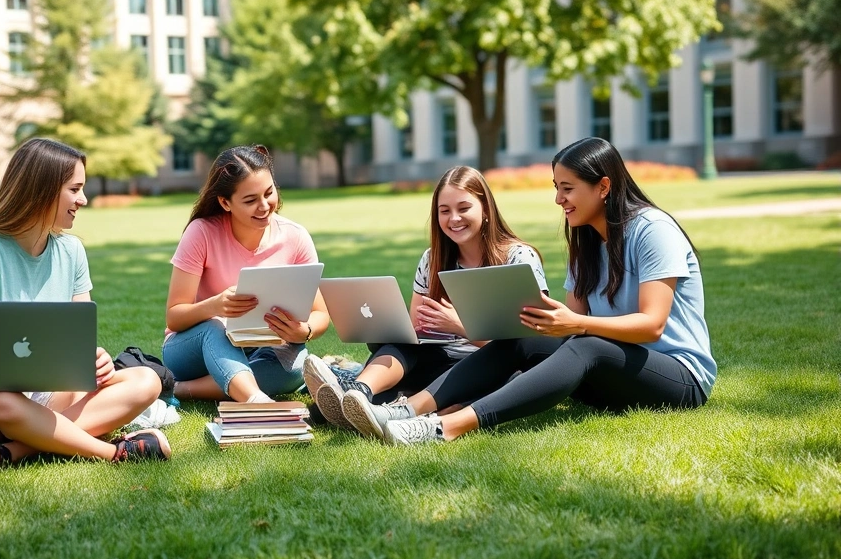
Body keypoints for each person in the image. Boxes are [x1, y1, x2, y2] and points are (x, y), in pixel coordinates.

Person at [344, 137, 716, 444]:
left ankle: (445, 428)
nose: (558, 199)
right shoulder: (585, 241)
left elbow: (651, 326)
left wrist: (575, 323)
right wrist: (550, 323)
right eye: (557, 188)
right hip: (613, 373)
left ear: (604, 186)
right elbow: (569, 330)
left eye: (567, 189)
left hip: (678, 378)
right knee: (519, 336)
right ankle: (407, 410)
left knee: (586, 344)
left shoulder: (652, 229)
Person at [0, 138, 170, 480]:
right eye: (75, 189)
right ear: (42, 190)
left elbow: (75, 338)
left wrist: (92, 358)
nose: (83, 200)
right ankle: (114, 452)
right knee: (3, 399)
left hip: (46, 391)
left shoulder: (72, 251)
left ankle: (5, 453)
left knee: (145, 381)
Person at [302, 166, 549, 433]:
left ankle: (376, 406)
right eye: (445, 211)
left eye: (464, 208)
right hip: (436, 362)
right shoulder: (433, 259)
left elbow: (527, 344)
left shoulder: (519, 258)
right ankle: (358, 391)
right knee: (405, 344)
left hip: (488, 368)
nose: (454, 219)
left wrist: (460, 326)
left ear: (486, 209)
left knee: (508, 378)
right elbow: (417, 330)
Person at [162, 144, 331, 403]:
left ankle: (180, 389)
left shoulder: (295, 237)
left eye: (269, 192)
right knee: (216, 327)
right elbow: (175, 316)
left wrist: (304, 332)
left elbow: (320, 313)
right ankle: (256, 400)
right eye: (250, 200)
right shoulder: (202, 232)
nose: (264, 206)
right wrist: (215, 306)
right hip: (193, 347)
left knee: (295, 368)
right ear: (225, 202)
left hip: (259, 345)